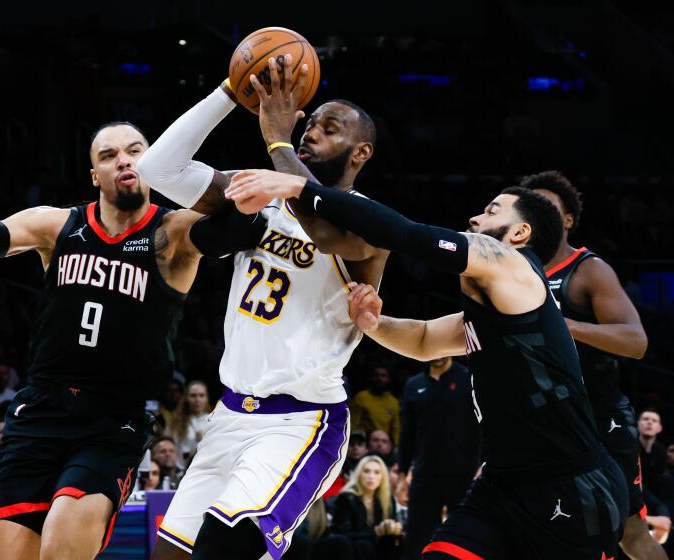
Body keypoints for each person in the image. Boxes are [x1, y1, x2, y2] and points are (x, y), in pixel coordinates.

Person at [0, 122, 257, 560]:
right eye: (108, 155)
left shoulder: (173, 234)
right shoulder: (57, 226)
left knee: (63, 542)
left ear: (154, 165)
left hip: (112, 419)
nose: (124, 160)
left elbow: (241, 226)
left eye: (136, 151)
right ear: (94, 175)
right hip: (40, 411)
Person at [225, 171, 629, 558]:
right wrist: (373, 323)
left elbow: (406, 235)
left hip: (569, 485)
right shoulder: (496, 311)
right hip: (502, 485)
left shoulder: (512, 264)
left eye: (492, 210)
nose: (475, 217)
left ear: (520, 233)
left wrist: (298, 186)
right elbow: (422, 340)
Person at [136, 55, 389, 560]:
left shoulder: (370, 221)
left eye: (330, 128)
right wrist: (231, 91)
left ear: (360, 153)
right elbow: (156, 168)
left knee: (219, 551)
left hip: (300, 424)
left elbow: (321, 226)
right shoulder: (259, 194)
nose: (311, 131)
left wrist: (276, 140)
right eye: (310, 123)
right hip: (230, 415)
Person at [523, 170, 662, 559]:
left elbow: (636, 341)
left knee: (630, 536)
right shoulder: (513, 273)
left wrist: (568, 327)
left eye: (546, 206)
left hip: (600, 418)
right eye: (529, 207)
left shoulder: (588, 270)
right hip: (542, 422)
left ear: (567, 220)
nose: (536, 214)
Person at [397, 356, 480, 559]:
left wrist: (484, 464)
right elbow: (407, 434)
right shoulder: (414, 384)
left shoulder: (469, 377)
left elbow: (485, 425)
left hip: (464, 473)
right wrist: (401, 475)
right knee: (416, 538)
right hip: (425, 473)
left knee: (467, 536)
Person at [331, 455, 403, 560]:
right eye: (366, 471)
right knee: (365, 545)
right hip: (353, 547)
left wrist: (394, 528)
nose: (371, 476)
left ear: (383, 477)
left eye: (377, 472)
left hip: (378, 547)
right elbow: (342, 533)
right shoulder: (346, 498)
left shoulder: (387, 500)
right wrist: (375, 532)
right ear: (359, 474)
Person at [351, 366, 400, 445]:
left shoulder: (393, 402)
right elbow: (352, 424)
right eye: (376, 375)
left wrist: (395, 445)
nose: (379, 378)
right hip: (364, 443)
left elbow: (395, 428)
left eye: (383, 376)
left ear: (388, 379)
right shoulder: (361, 397)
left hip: (384, 443)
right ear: (371, 377)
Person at [165, 380, 211, 464]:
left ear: (207, 398)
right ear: (186, 398)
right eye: (193, 396)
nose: (197, 399)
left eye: (201, 395)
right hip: (181, 469)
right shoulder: (176, 422)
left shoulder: (214, 419)